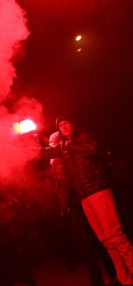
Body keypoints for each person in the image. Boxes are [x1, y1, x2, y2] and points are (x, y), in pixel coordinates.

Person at [41, 116, 133, 286]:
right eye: (60, 125)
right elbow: (47, 152)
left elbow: (93, 150)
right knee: (105, 240)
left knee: (116, 236)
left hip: (98, 191)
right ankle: (124, 277)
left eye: (66, 122)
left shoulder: (82, 136)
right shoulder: (63, 145)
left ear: (72, 123)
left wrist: (71, 145)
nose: (64, 127)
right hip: (85, 198)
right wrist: (30, 144)